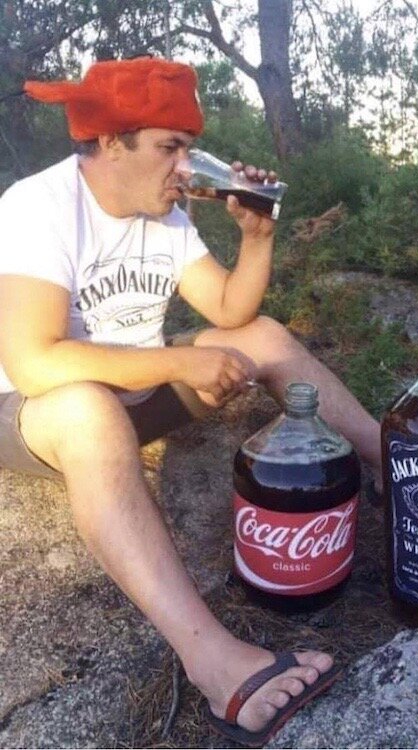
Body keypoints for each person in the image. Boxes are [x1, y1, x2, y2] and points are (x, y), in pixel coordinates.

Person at [0, 57, 382, 746]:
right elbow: (35, 362)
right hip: (37, 409)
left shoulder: (166, 215)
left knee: (263, 336)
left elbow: (232, 311)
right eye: (169, 147)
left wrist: (257, 238)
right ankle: (212, 660)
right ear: (111, 141)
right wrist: (182, 360)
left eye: (188, 148)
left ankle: (400, 463)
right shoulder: (39, 206)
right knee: (87, 408)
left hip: (135, 393)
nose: (184, 167)